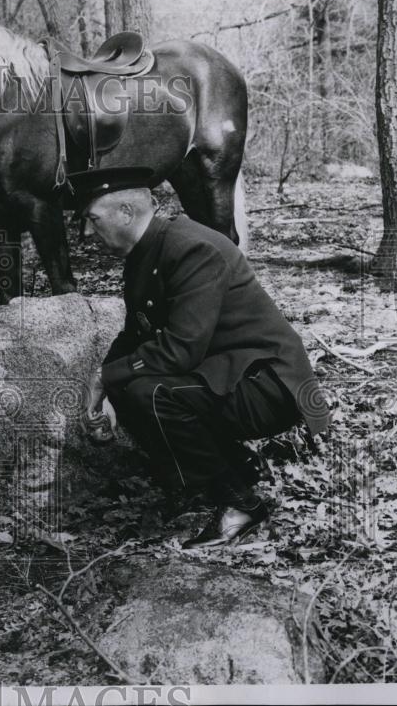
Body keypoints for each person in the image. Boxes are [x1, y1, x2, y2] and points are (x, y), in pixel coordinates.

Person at [70, 167, 331, 549]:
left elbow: (180, 349)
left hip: (271, 385)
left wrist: (107, 379)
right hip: (231, 375)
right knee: (131, 387)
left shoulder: (192, 247)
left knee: (149, 393)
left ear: (126, 212)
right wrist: (103, 381)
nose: (86, 235)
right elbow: (134, 335)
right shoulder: (149, 251)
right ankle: (239, 469)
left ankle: (239, 503)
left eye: (92, 220)